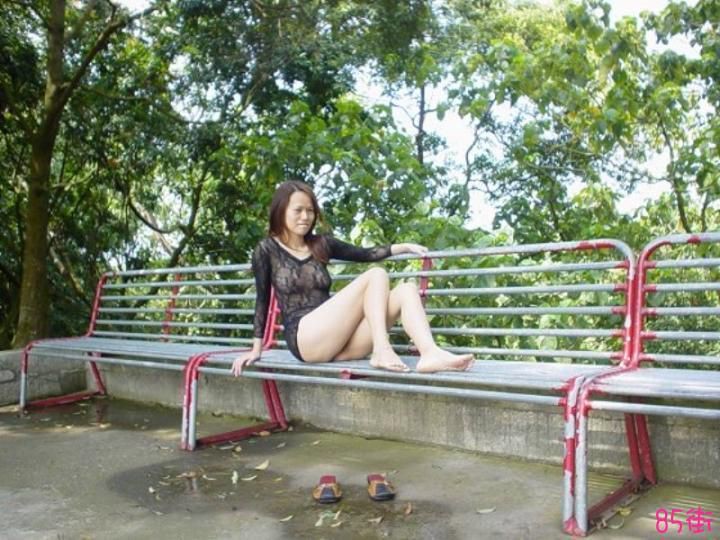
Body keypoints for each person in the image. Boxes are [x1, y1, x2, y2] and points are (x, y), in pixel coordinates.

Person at [231, 180, 474, 375]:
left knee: (406, 290)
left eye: (310, 211)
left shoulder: (321, 244)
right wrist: (256, 350)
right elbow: (262, 300)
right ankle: (381, 349)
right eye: (298, 210)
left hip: (337, 341)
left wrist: (404, 247)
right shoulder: (267, 249)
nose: (305, 217)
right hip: (305, 339)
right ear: (281, 211)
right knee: (377, 275)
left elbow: (365, 254)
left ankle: (429, 354)